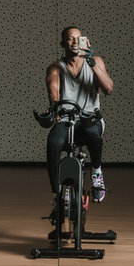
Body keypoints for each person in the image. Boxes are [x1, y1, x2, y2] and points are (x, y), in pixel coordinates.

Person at [45, 26, 113, 203]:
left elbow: (108, 88)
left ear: (84, 41)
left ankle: (97, 172)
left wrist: (91, 62)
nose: (75, 42)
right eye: (70, 38)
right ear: (63, 43)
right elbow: (53, 91)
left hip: (89, 118)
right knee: (53, 143)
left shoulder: (95, 61)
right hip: (67, 119)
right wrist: (54, 108)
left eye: (78, 38)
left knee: (92, 135)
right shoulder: (56, 68)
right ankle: (57, 193)